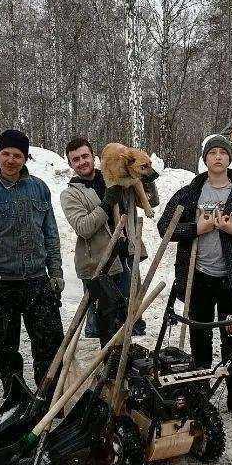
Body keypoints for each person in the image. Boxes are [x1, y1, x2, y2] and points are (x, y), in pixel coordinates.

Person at [158, 135, 232, 421]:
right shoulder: (190, 193)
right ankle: (200, 394)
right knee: (200, 337)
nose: (218, 157)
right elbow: (165, 228)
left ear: (230, 158)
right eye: (213, 153)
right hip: (198, 278)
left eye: (223, 152)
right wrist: (195, 229)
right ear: (205, 159)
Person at [0, 130, 65, 393]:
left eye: (17, 155)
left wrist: (56, 273)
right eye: (6, 154)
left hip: (37, 281)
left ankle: (49, 398)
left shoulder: (39, 189)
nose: (11, 160)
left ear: (25, 158)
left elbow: (51, 235)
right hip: (0, 284)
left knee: (50, 346)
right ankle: (16, 399)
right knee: (6, 351)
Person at [59, 137, 158, 344]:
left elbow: (152, 201)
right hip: (98, 266)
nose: (82, 162)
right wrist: (106, 203)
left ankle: (126, 361)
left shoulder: (117, 176)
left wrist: (145, 173)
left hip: (125, 258)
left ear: (94, 157)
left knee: (128, 323)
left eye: (85, 156)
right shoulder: (70, 194)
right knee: (103, 327)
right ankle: (104, 363)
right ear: (70, 164)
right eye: (76, 159)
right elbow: (84, 228)